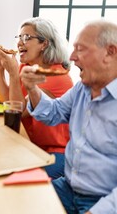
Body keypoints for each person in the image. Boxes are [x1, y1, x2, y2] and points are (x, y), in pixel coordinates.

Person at [20, 19, 117, 213]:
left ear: (110, 52)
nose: (72, 57)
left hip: (100, 201)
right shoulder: (82, 88)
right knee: (15, 201)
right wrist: (32, 88)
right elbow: (53, 113)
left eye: (80, 49)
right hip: (67, 187)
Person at [0, 17, 73, 179]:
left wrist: (13, 73)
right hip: (29, 144)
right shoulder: (26, 67)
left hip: (54, 154)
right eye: (19, 37)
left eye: (26, 37)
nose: (20, 43)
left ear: (44, 44)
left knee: (7, 177)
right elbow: (5, 101)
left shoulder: (56, 76)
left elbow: (18, 111)